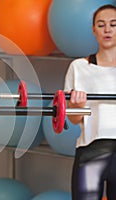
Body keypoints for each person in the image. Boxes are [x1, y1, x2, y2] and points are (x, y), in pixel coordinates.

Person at [64, 4, 116, 200]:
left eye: (113, 24)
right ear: (94, 30)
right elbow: (75, 120)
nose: (108, 30)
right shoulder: (79, 67)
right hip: (91, 149)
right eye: (101, 25)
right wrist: (77, 106)